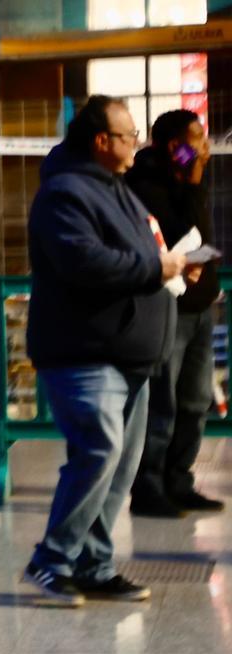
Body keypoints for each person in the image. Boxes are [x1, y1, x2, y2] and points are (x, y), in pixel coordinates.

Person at [22, 95, 194, 606]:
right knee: (99, 451)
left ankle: (94, 565)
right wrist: (153, 269)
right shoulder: (65, 194)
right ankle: (51, 561)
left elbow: (145, 251)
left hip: (129, 354)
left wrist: (175, 264)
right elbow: (83, 262)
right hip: (84, 352)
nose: (137, 143)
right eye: (129, 135)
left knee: (118, 467)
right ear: (102, 141)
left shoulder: (118, 190)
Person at [125, 109, 225, 517]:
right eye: (197, 140)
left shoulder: (183, 179)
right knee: (162, 403)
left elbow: (205, 235)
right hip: (169, 308)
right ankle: (148, 487)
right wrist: (194, 181)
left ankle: (179, 481)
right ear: (174, 147)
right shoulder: (145, 182)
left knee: (196, 400)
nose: (204, 147)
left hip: (201, 306)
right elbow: (184, 234)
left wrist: (194, 182)